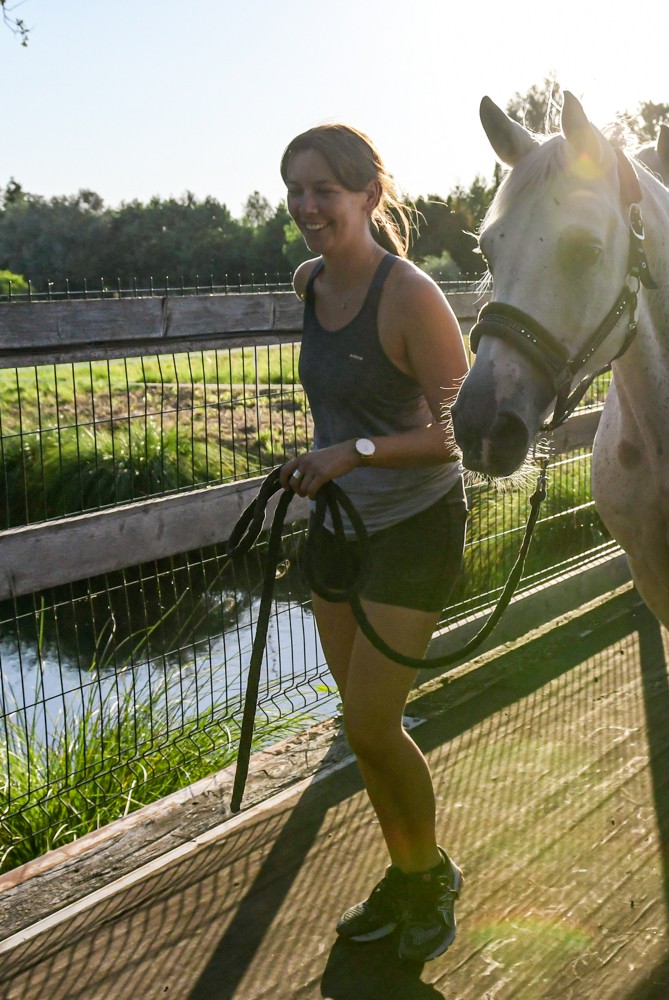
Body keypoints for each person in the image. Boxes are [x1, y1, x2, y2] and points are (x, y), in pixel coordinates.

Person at [279, 124, 470, 964]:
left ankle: (430, 879)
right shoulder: (308, 284)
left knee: (372, 720)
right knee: (363, 734)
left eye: (324, 189)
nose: (307, 206)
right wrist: (319, 462)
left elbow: (459, 432)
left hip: (413, 526)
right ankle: (408, 872)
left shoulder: (411, 296)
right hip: (339, 528)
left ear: (367, 196)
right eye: (295, 189)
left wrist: (351, 453)